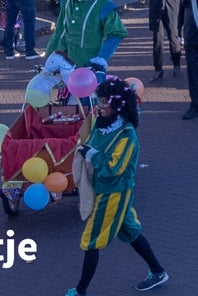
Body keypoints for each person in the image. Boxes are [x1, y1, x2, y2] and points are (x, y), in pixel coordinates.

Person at [65, 76, 168, 296]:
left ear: (118, 106)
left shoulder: (127, 136)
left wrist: (92, 155)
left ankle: (80, 291)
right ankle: (158, 271)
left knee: (91, 240)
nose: (100, 106)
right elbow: (89, 139)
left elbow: (114, 168)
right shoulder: (100, 125)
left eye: (104, 103)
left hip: (113, 193)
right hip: (104, 189)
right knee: (130, 231)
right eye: (100, 101)